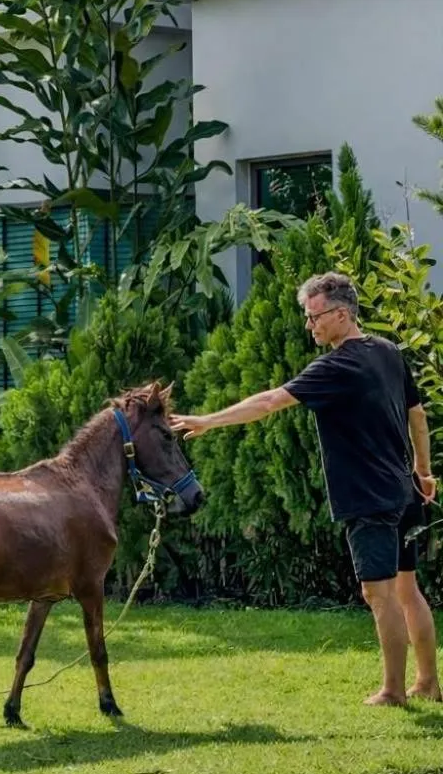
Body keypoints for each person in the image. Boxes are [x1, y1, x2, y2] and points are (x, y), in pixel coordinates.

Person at [169, 272, 441, 707]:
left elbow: (269, 402)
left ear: (341, 314)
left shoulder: (338, 366)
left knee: (380, 594)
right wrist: (423, 472)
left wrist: (208, 421)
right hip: (404, 490)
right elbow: (418, 415)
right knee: (407, 591)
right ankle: (427, 682)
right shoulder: (387, 351)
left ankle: (393, 691)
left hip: (369, 497)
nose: (309, 325)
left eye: (314, 316)